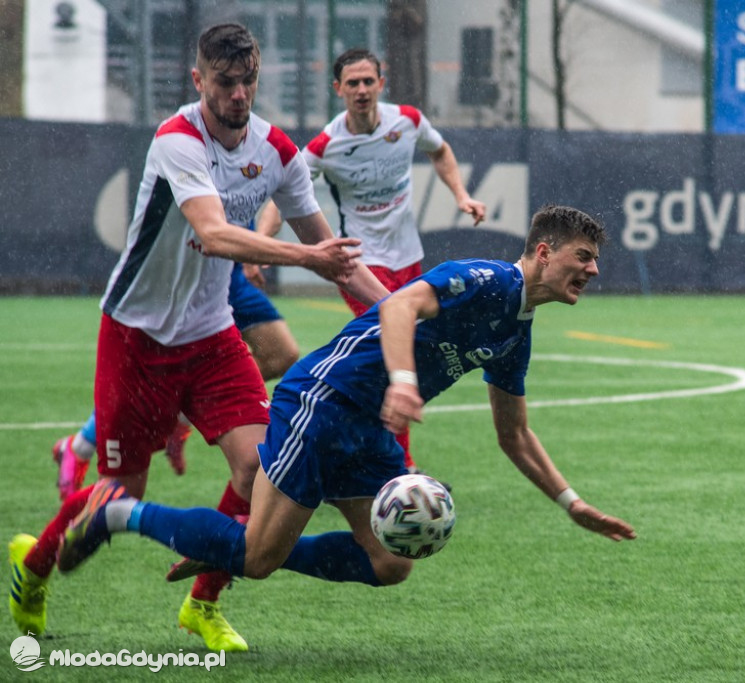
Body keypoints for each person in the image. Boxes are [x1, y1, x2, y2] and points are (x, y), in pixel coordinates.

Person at [57, 205, 637, 631]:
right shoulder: (487, 280)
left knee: (390, 561)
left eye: (595, 261)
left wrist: (571, 503)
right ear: (544, 252)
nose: (592, 269)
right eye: (583, 257)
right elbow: (401, 304)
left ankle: (234, 541)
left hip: (368, 431)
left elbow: (514, 435)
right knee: (257, 560)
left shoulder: (517, 333)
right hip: (323, 402)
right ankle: (119, 513)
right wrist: (406, 382)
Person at [8, 23, 389, 653]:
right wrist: (307, 258)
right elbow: (214, 234)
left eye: (248, 81)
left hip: (212, 338)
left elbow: (339, 257)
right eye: (224, 82)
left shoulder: (278, 152)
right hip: (135, 337)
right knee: (121, 497)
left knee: (259, 469)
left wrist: (403, 315)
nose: (238, 94)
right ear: (198, 80)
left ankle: (203, 602)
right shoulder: (176, 139)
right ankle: (36, 563)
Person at [257, 48, 486, 475]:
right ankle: (398, 465)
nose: (361, 90)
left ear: (381, 83)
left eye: (368, 81)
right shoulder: (327, 144)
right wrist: (259, 244)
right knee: (391, 354)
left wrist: (461, 194)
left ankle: (346, 443)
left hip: (409, 259)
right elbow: (284, 190)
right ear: (337, 89)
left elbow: (440, 151)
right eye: (352, 83)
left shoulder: (408, 122)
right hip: (361, 265)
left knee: (398, 357)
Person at [50, 225, 302, 500]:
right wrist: (277, 250)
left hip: (232, 270)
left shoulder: (273, 181)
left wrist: (256, 245)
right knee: (155, 387)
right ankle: (81, 446)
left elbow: (277, 204)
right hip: (197, 269)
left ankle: (181, 418)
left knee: (281, 353)